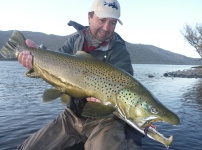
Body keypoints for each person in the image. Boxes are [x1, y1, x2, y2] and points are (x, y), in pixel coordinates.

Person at [17, 0, 143, 149]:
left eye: (113, 23)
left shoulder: (120, 52)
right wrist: (36, 57)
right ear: (89, 17)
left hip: (105, 120)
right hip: (72, 115)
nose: (107, 27)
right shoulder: (75, 40)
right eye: (102, 20)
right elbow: (56, 64)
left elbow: (127, 88)